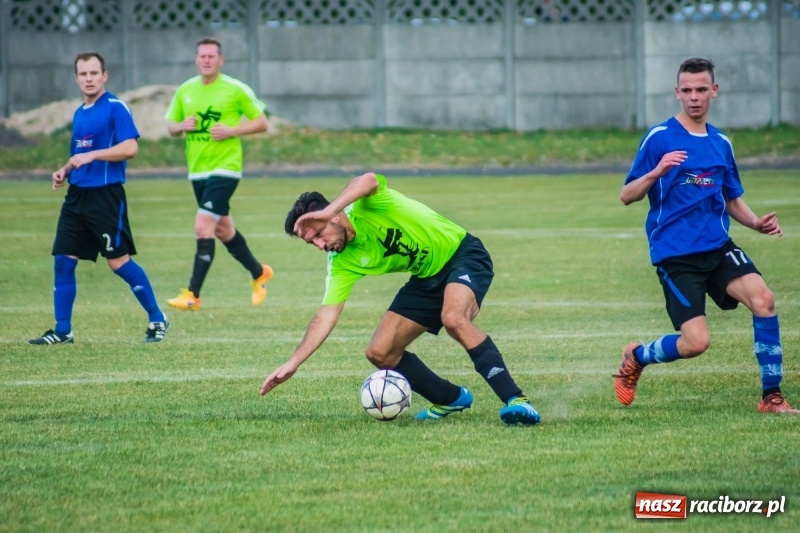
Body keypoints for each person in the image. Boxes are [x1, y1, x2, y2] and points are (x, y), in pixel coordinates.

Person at [260, 172, 541, 426]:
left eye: (319, 234)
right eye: (312, 243)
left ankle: (516, 400)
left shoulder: (369, 205)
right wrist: (294, 362)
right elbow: (326, 315)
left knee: (454, 318)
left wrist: (328, 209)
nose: (321, 245)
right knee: (380, 352)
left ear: (333, 216)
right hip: (425, 277)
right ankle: (450, 398)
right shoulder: (341, 261)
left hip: (462, 255)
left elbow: (368, 179)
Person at [615, 57, 798, 414]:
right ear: (677, 92)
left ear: (714, 90)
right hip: (676, 255)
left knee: (764, 299)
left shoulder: (721, 143)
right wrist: (656, 172)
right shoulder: (659, 138)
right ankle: (637, 356)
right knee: (696, 343)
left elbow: (730, 198)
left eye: (701, 89)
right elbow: (626, 195)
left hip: (718, 247)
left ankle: (771, 397)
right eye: (687, 90)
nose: (694, 97)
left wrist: (756, 223)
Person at [28, 52, 168, 345]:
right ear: (76, 78)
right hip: (76, 196)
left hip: (105, 197)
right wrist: (65, 170)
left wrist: (93, 155)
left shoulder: (116, 107)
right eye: (83, 74)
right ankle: (63, 330)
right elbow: (78, 153)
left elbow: (130, 148)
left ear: (105, 75)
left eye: (94, 73)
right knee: (63, 260)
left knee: (118, 263)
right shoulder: (80, 112)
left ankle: (157, 318)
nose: (89, 79)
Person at [165, 37, 273, 311]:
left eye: (211, 56)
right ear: (196, 59)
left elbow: (262, 122)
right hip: (197, 171)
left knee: (203, 226)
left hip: (226, 168)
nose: (206, 60)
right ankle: (259, 273)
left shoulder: (235, 89)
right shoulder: (185, 90)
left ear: (220, 60)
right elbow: (171, 127)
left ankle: (193, 295)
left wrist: (232, 130)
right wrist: (181, 126)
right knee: (223, 230)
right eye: (202, 56)